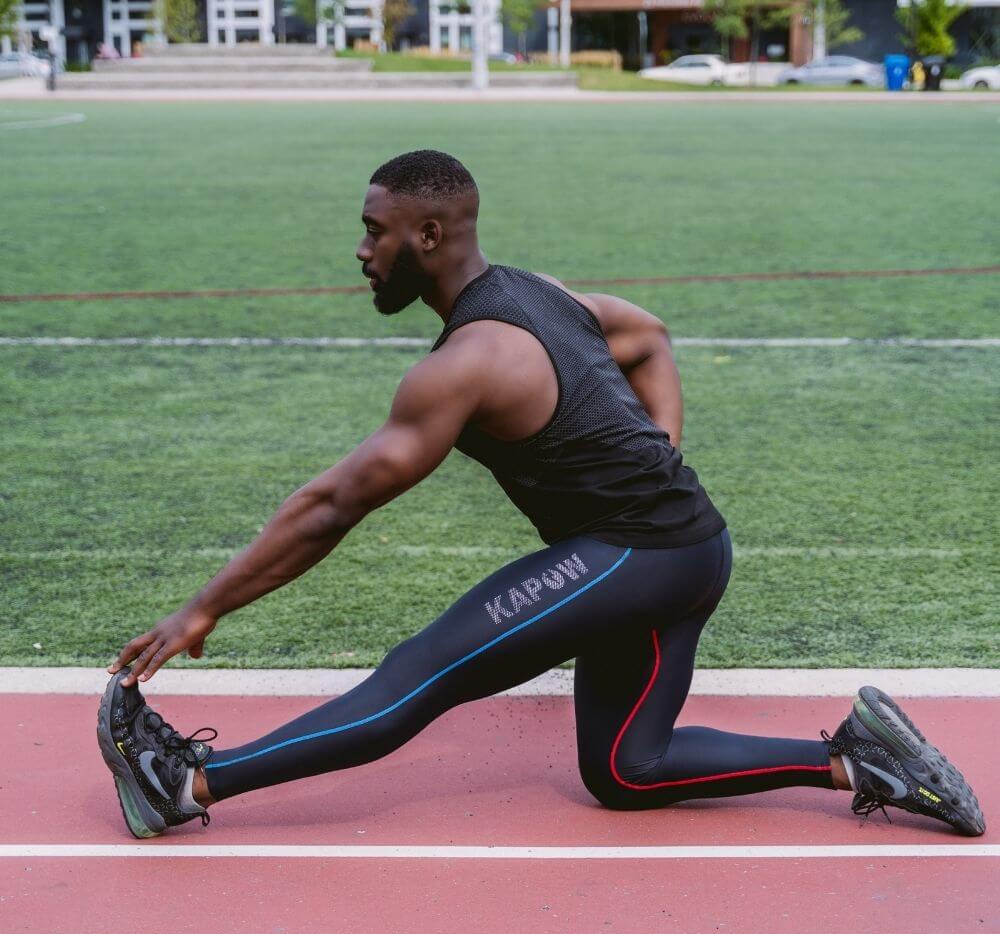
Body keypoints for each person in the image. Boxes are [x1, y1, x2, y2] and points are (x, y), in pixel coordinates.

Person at [98, 150, 984, 839]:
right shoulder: (540, 292)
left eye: (376, 231)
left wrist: (202, 610)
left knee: (419, 674)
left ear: (431, 235)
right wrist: (662, 456)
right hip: (683, 547)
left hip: (644, 553)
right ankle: (854, 761)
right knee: (627, 770)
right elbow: (647, 336)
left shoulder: (465, 365)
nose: (362, 251)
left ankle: (184, 784)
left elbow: (332, 504)